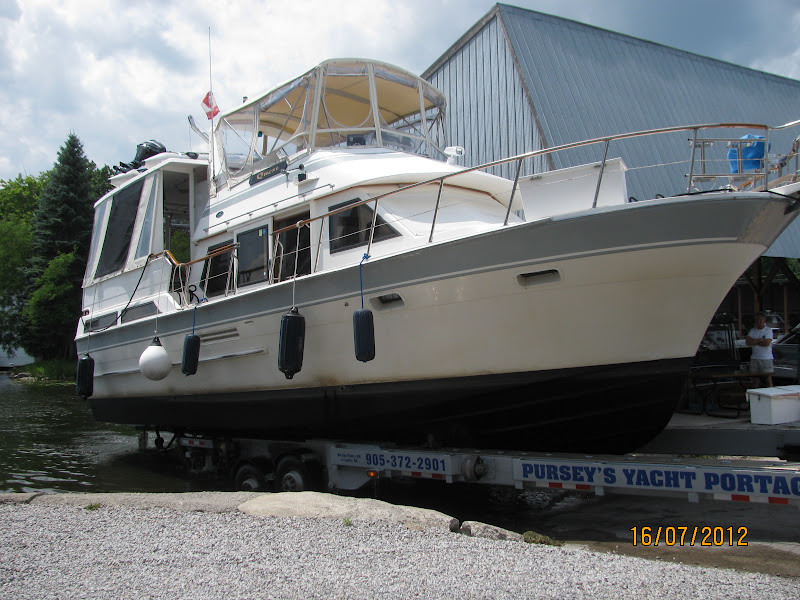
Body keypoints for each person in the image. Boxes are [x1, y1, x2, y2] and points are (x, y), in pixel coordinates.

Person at [746, 311, 774, 387]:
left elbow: (766, 343)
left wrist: (754, 341)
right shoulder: (752, 330)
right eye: (756, 320)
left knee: (768, 380)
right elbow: (748, 342)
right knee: (755, 381)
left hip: (766, 359)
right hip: (755, 358)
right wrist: (759, 340)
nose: (758, 322)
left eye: (760, 320)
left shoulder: (768, 330)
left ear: (764, 321)